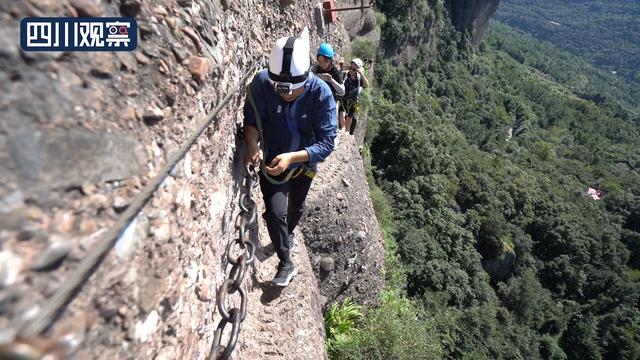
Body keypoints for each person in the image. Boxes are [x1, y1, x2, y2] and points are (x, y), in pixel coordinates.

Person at [243, 35, 337, 286]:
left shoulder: (321, 94)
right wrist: (252, 144)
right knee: (275, 214)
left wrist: (294, 158)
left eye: (292, 90)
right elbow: (251, 121)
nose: (285, 95)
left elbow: (328, 143)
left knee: (296, 207)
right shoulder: (262, 84)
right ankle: (286, 262)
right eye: (279, 89)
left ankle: (288, 233)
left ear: (306, 78)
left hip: (304, 164)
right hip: (273, 162)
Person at [311, 43, 345, 129]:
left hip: (331, 100)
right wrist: (319, 76)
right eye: (319, 61)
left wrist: (331, 80)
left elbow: (342, 91)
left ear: (329, 61)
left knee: (329, 124)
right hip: (316, 98)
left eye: (324, 61)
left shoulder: (336, 73)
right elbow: (308, 76)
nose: (321, 64)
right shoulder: (316, 68)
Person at [340, 58, 369, 135]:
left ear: (357, 70)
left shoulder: (359, 79)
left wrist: (361, 74)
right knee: (341, 114)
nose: (351, 70)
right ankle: (342, 131)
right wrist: (342, 67)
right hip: (344, 99)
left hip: (353, 101)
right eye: (350, 68)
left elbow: (366, 85)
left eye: (354, 69)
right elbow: (338, 73)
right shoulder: (345, 74)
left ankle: (346, 131)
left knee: (350, 117)